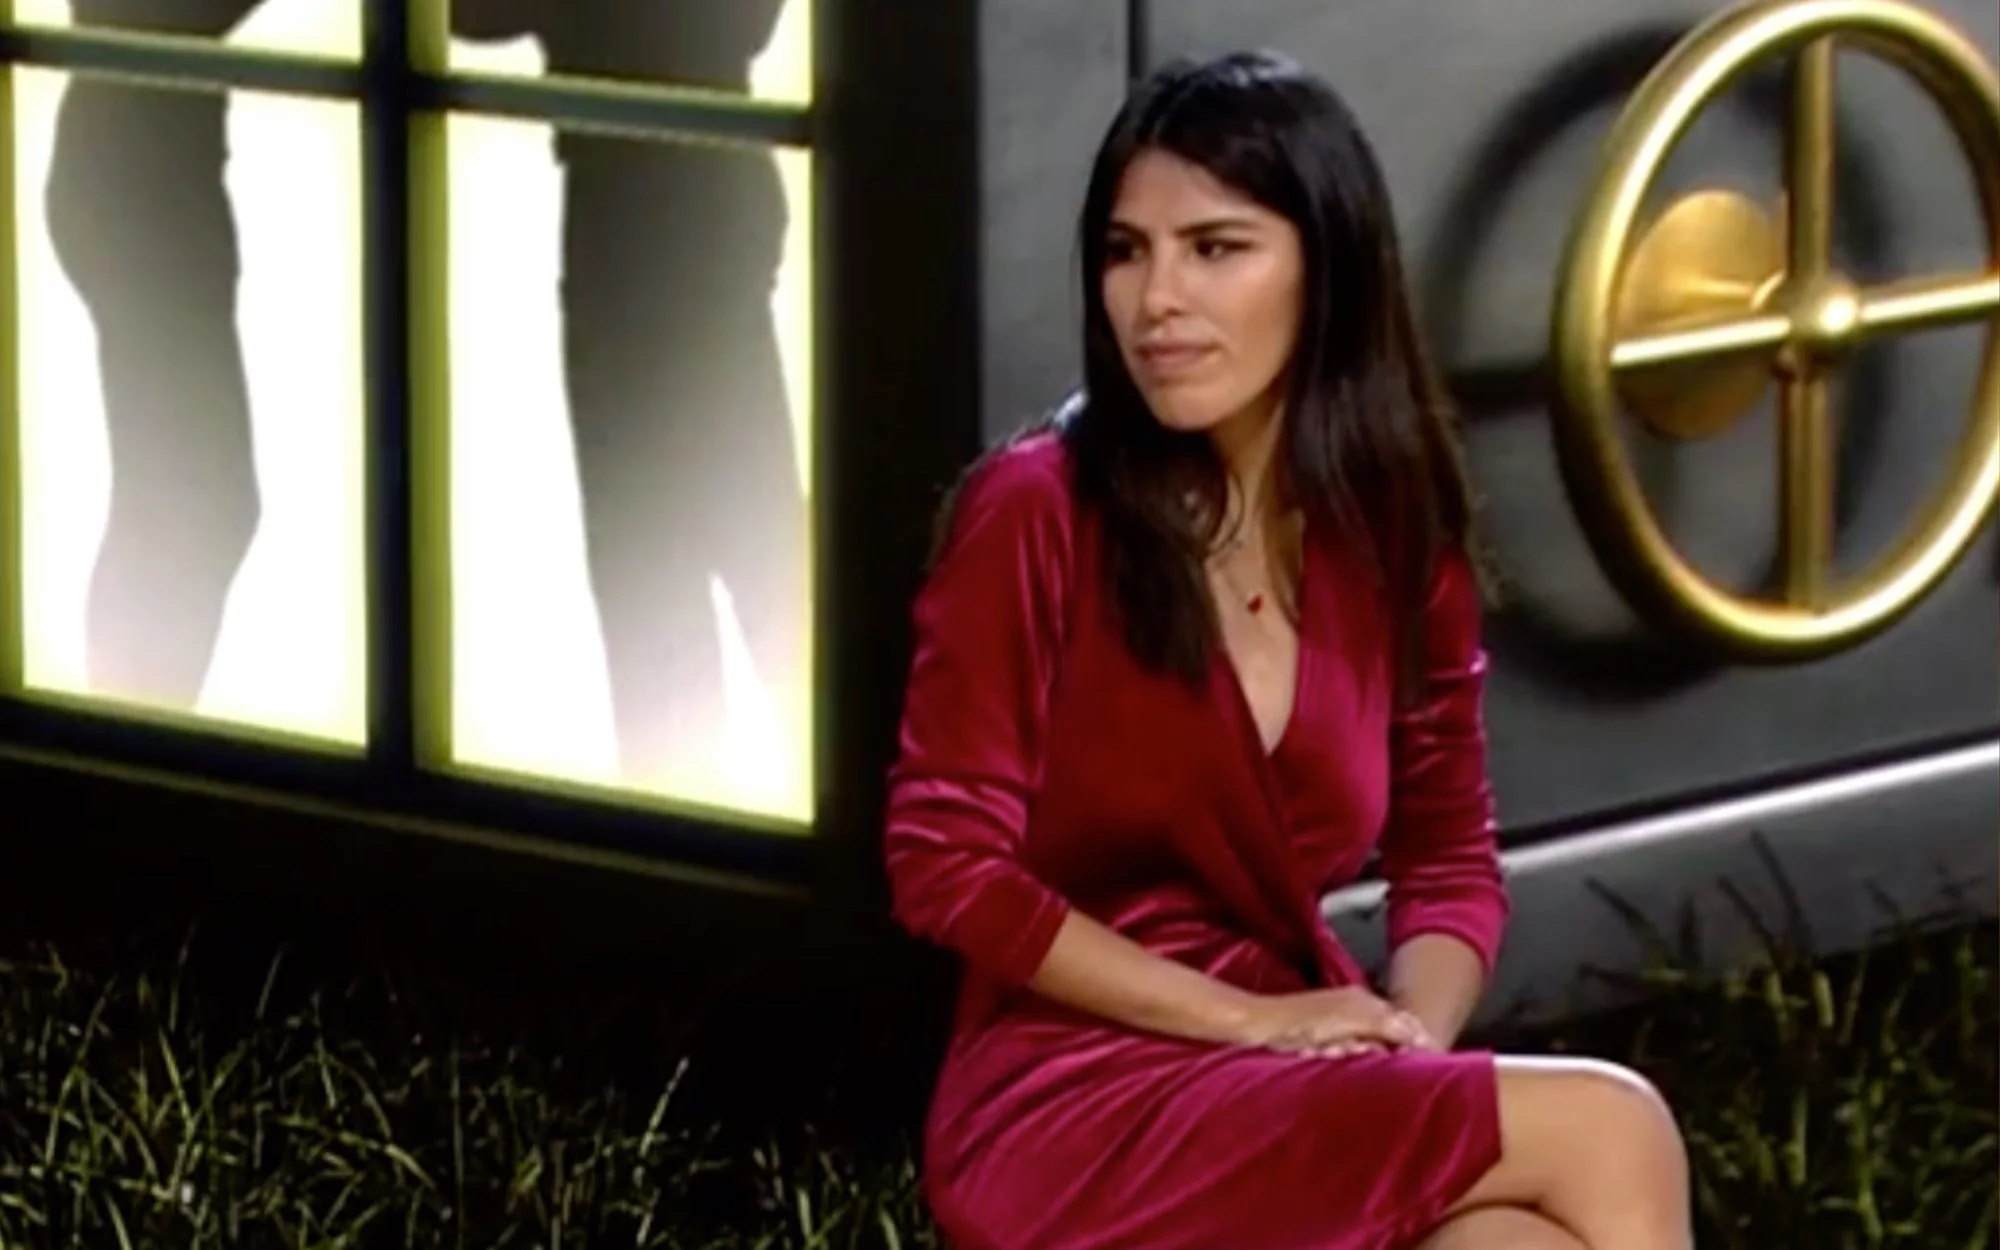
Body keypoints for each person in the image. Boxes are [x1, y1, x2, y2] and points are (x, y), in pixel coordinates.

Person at [882, 51, 1693, 1250]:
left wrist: (1400, 1041)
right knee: (1614, 1125)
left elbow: (1447, 857)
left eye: (1214, 248)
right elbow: (942, 863)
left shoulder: (1390, 533)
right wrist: (1246, 1022)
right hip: (1069, 1092)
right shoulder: (1034, 510)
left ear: (1327, 267)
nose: (1156, 298)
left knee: (1512, 1243)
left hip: (1285, 1054)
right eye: (1125, 250)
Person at [45, 0, 804, 784]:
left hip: (639, 212)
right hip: (683, 201)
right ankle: (121, 767)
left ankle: (120, 769)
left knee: (675, 557)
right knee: (724, 540)